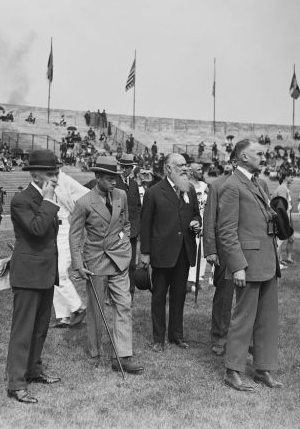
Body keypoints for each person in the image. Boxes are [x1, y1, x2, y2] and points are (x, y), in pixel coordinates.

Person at [69, 156, 144, 374]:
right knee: (96, 310)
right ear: (98, 178)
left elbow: (127, 224)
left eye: (116, 177)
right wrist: (78, 264)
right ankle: (95, 352)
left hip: (119, 260)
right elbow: (75, 237)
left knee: (124, 304)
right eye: (110, 178)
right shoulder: (84, 202)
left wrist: (123, 243)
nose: (115, 182)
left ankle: (122, 356)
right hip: (96, 264)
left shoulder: (120, 195)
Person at [218, 139, 282, 391]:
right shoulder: (232, 185)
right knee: (243, 319)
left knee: (267, 319)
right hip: (248, 263)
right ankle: (232, 370)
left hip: (266, 261)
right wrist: (237, 266)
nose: (262, 157)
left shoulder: (256, 183)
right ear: (243, 156)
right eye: (258, 153)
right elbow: (226, 231)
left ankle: (262, 368)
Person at [6, 149, 61, 404]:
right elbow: (37, 230)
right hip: (27, 275)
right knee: (23, 330)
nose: (56, 178)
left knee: (40, 329)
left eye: (57, 173)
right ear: (35, 174)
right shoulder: (21, 200)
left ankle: (33, 370)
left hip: (46, 273)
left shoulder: (45, 197)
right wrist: (49, 201)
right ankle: (16, 383)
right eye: (51, 174)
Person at [139, 153, 201, 353]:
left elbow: (195, 214)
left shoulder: (189, 190)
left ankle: (176, 335)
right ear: (168, 168)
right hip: (161, 253)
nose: (185, 169)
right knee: (158, 297)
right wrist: (145, 253)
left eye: (186, 165)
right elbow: (145, 225)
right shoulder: (154, 192)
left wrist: (196, 223)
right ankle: (159, 338)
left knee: (179, 296)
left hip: (183, 252)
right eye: (180, 165)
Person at [203, 163, 235, 357]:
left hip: (251, 247)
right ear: (234, 163)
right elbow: (209, 219)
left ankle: (244, 337)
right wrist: (211, 249)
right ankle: (219, 337)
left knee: (249, 296)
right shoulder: (218, 185)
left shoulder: (259, 184)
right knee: (224, 294)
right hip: (226, 248)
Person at [52, 168, 89, 328]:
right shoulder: (44, 180)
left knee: (59, 273)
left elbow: (88, 195)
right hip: (51, 229)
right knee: (52, 272)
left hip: (65, 228)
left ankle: (78, 307)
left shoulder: (65, 180)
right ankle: (64, 316)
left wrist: (76, 215)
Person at [114, 154, 142, 298]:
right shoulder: (114, 183)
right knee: (117, 263)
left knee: (132, 264)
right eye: (123, 167)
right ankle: (114, 293)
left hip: (132, 230)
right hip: (118, 230)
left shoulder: (134, 184)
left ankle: (130, 291)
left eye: (128, 167)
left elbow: (138, 206)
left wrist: (137, 227)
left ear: (132, 168)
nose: (125, 170)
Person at [187, 163, 208, 293]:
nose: (201, 171)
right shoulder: (187, 186)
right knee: (192, 251)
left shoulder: (205, 186)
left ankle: (199, 278)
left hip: (203, 222)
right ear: (192, 171)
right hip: (192, 223)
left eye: (201, 169)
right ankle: (189, 280)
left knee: (202, 253)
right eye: (198, 169)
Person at [272, 174, 294, 266]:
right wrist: (284, 220)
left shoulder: (284, 188)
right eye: (291, 176)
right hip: (282, 217)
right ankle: (277, 262)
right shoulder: (282, 189)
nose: (292, 178)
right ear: (286, 177)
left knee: (287, 238)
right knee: (280, 241)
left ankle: (281, 260)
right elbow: (281, 207)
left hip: (286, 215)